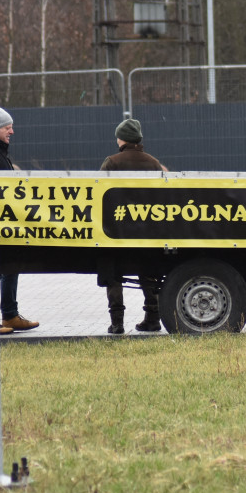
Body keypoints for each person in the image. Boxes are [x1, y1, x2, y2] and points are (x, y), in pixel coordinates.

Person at [100, 118, 165, 333]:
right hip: (146, 230)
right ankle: (153, 318)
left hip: (116, 231)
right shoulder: (154, 163)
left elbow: (100, 194)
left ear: (121, 139)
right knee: (149, 273)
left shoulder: (112, 162)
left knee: (114, 274)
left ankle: (117, 322)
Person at [0, 105, 40, 335]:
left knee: (10, 265)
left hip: (5, 222)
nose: (12, 132)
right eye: (7, 128)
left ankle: (10, 314)